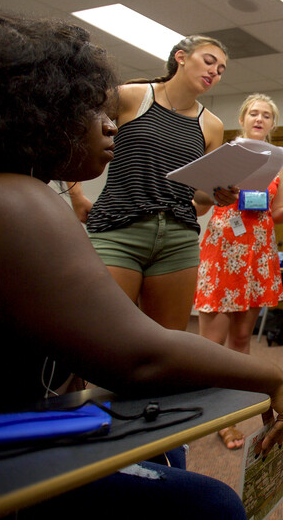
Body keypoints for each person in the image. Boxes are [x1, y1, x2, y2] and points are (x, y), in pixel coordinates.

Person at [0, 13, 283, 519]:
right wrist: (269, 376)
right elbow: (136, 356)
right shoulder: (11, 201)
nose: (111, 124)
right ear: (36, 111)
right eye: (91, 110)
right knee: (212, 505)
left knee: (165, 443)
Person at [68, 34, 236, 332]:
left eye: (221, 70)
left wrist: (217, 192)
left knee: (167, 342)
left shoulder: (212, 124)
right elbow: (74, 132)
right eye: (209, 62)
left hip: (177, 238)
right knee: (100, 333)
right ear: (181, 58)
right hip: (118, 229)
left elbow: (199, 191)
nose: (214, 72)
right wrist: (77, 195)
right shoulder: (131, 96)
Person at [194, 93, 283, 450]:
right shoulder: (224, 156)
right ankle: (206, 413)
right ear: (242, 119)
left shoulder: (279, 163)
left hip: (258, 251)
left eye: (267, 115)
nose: (259, 119)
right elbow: (199, 201)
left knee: (242, 342)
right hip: (224, 247)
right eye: (253, 113)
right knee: (211, 344)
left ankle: (231, 416)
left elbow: (273, 214)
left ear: (273, 124)